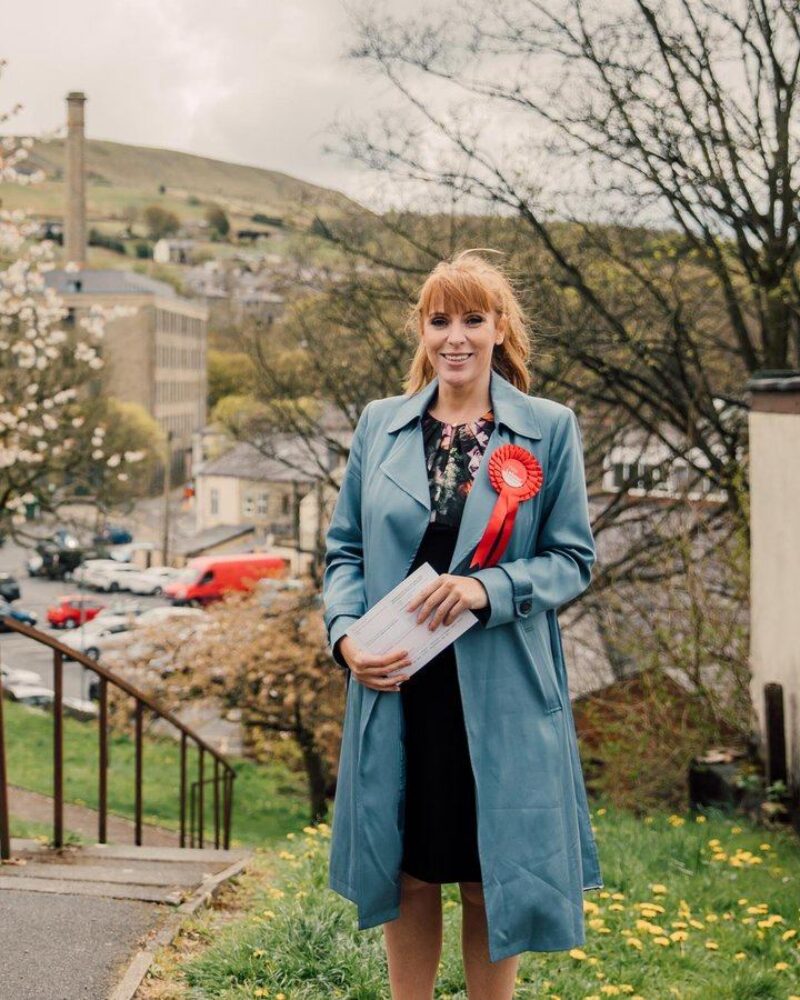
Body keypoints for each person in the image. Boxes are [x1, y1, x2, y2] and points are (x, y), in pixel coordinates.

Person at [323, 248, 602, 999]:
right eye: (440, 319)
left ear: (499, 327)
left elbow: (573, 558)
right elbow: (343, 550)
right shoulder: (380, 425)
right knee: (407, 870)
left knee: (490, 870)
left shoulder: (549, 428)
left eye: (472, 319)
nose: (456, 336)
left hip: (502, 688)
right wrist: (346, 635)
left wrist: (489, 589)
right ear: (421, 331)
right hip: (398, 684)